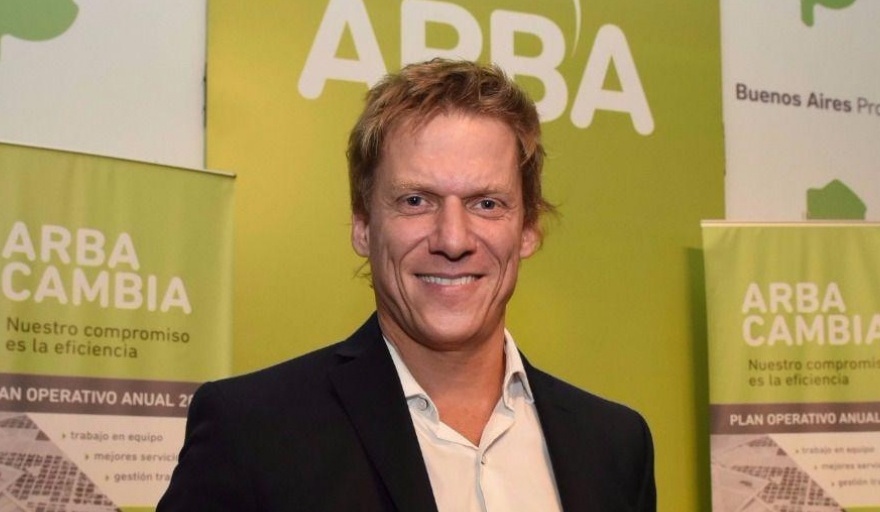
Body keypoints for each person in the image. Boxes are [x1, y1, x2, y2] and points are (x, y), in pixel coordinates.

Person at [157, 58, 655, 512]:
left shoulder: (614, 446)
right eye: (416, 201)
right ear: (363, 226)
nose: (453, 239)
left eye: (486, 203)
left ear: (527, 230)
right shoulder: (251, 433)